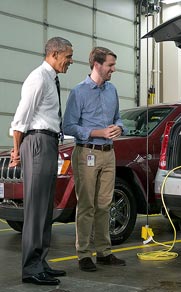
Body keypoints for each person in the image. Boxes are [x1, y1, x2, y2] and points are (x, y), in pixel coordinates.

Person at [10, 37, 73, 285]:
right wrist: (16, 152)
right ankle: (30, 268)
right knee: (36, 209)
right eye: (68, 56)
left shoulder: (51, 79)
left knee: (45, 207)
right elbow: (20, 120)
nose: (70, 61)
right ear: (55, 54)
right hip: (37, 142)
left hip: (48, 142)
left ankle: (40, 260)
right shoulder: (38, 78)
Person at [63, 47, 126, 272]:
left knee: (104, 205)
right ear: (97, 65)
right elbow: (68, 126)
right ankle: (84, 255)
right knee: (87, 205)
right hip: (87, 153)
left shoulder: (112, 90)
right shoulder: (79, 92)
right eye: (110, 65)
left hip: (109, 154)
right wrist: (96, 132)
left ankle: (104, 252)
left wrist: (119, 128)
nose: (113, 69)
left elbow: (118, 117)